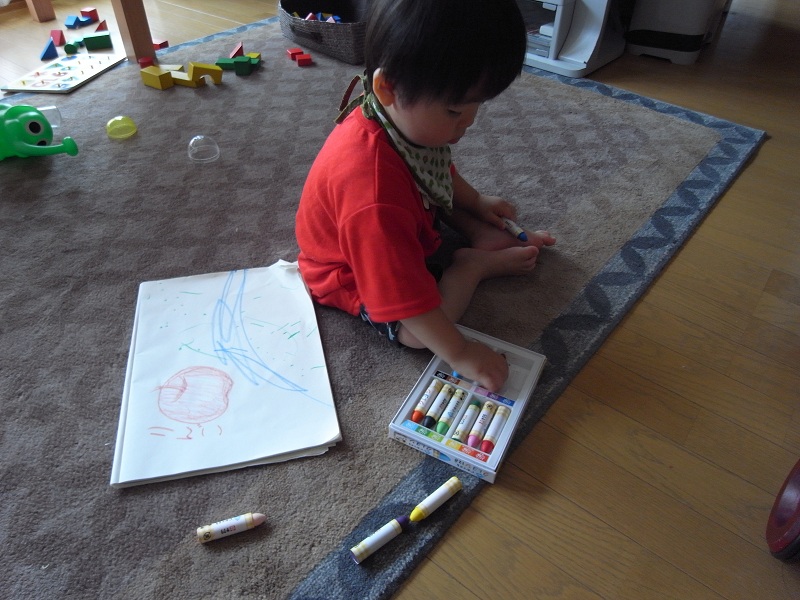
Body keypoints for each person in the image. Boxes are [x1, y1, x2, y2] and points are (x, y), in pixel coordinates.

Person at [295, 0, 555, 392]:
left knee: (435, 187)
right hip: (350, 268)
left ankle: (479, 232)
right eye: (455, 111)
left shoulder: (399, 119)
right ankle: (471, 266)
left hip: (397, 217)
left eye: (477, 106)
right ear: (387, 88)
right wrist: (461, 353)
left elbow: (435, 168)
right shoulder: (372, 193)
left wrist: (475, 202)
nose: (469, 122)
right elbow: (401, 296)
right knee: (417, 334)